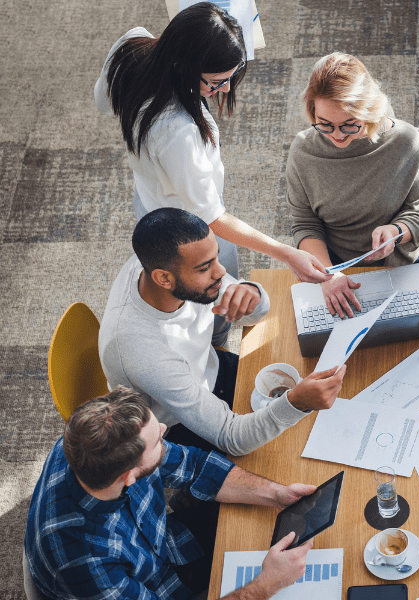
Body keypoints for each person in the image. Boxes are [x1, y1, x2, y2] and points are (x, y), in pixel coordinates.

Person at [95, 2, 330, 345]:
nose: (224, 88)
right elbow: (212, 217)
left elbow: (102, 100)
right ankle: (215, 345)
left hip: (148, 195)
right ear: (183, 64)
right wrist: (288, 253)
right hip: (189, 224)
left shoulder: (134, 44)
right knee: (212, 292)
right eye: (216, 81)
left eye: (231, 76)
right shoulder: (179, 133)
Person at [25, 388, 319, 600]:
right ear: (128, 476)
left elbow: (194, 466)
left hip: (165, 545)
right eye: (157, 441)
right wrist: (267, 585)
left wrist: (275, 494)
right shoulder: (86, 560)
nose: (165, 428)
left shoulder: (90, 445)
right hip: (146, 587)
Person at [99, 208, 345, 456]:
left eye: (216, 257)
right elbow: (232, 437)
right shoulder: (141, 349)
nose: (220, 272)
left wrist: (253, 293)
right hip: (175, 423)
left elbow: (254, 314)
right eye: (205, 267)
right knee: (291, 452)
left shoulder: (164, 267)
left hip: (210, 369)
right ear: (163, 278)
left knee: (316, 401)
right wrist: (296, 403)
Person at [286, 52, 419, 318]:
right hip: (333, 264)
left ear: (368, 112)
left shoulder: (406, 143)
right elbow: (305, 224)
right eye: (325, 125)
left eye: (349, 125)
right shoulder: (303, 153)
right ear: (312, 112)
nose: (337, 136)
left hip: (402, 259)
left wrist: (396, 232)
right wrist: (328, 274)